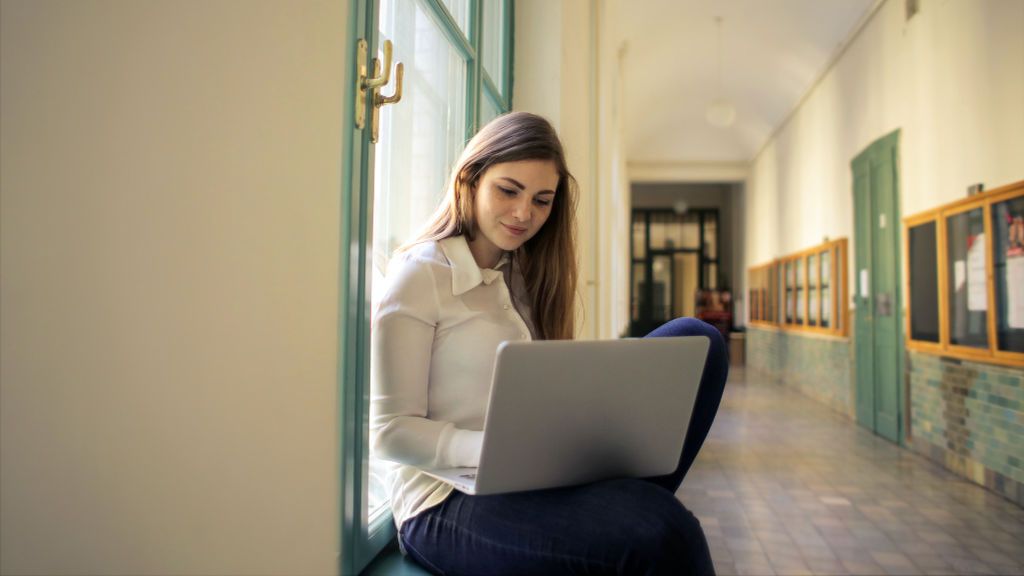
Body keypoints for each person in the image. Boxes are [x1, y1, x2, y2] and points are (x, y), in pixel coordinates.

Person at [370, 112, 728, 575]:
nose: (525, 214)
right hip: (443, 503)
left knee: (700, 341)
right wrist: (501, 451)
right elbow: (389, 432)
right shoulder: (420, 273)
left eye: (542, 200)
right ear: (470, 181)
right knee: (661, 529)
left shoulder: (524, 275)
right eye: (508, 190)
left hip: (533, 476)